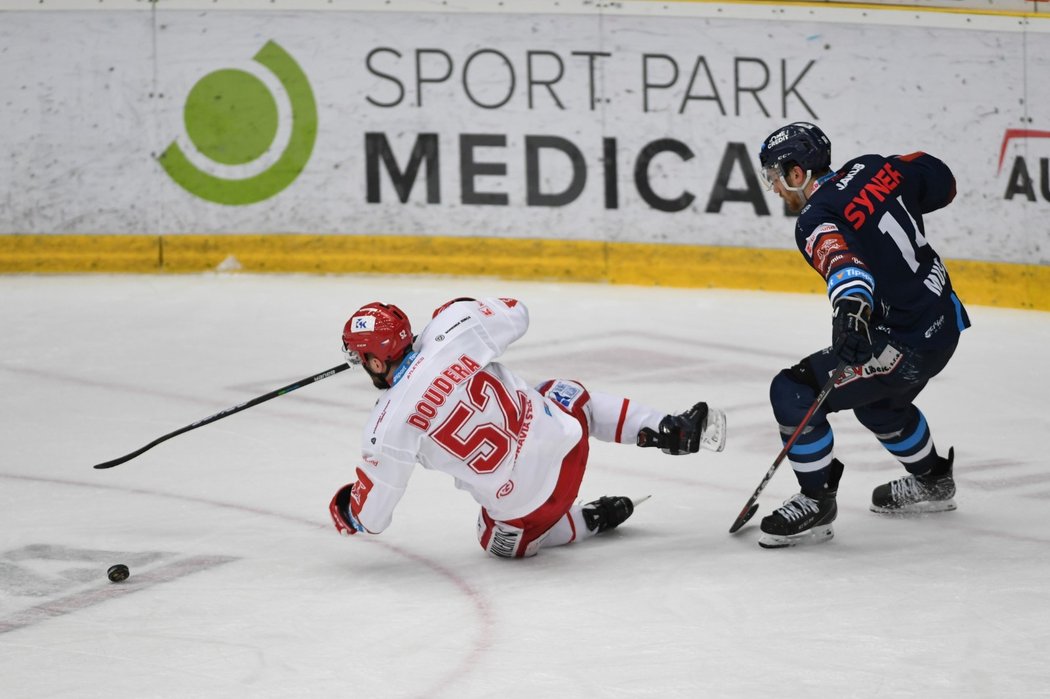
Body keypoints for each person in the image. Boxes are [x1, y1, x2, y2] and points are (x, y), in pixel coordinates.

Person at [327, 297, 727, 558]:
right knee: (560, 392)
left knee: (495, 542)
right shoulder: (454, 329)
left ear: (377, 363)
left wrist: (350, 508)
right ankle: (669, 428)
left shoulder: (386, 425)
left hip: (525, 511)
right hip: (569, 448)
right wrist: (458, 309)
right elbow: (517, 312)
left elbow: (372, 519)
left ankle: (589, 520)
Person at [754, 122, 971, 548]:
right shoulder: (875, 167)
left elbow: (842, 263)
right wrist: (888, 179)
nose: (775, 188)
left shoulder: (816, 217)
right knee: (880, 406)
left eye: (776, 176)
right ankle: (933, 481)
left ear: (798, 173)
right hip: (944, 322)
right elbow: (941, 182)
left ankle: (816, 503)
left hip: (902, 342)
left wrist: (851, 311)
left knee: (792, 390)